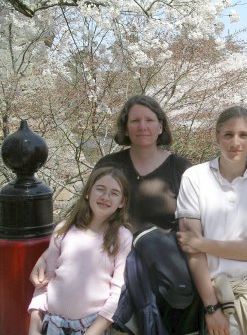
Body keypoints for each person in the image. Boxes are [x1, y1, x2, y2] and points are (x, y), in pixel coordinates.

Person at [30, 94, 191, 284]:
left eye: (149, 120)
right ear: (125, 127)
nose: (142, 126)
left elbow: (193, 227)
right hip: (108, 267)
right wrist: (49, 253)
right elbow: (83, 212)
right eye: (135, 120)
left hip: (164, 271)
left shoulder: (181, 169)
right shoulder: (109, 164)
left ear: (161, 126)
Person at [176, 106, 247, 335]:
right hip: (206, 292)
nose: (235, 143)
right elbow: (193, 253)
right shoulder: (195, 177)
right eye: (228, 135)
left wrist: (202, 243)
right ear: (217, 137)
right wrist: (212, 307)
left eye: (243, 135)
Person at [27, 167, 133, 335]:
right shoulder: (63, 229)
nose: (105, 197)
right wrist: (34, 323)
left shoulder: (122, 237)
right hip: (53, 324)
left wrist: (94, 332)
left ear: (122, 202)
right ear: (88, 192)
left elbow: (118, 291)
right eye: (100, 189)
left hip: (91, 327)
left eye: (114, 193)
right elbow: (45, 282)